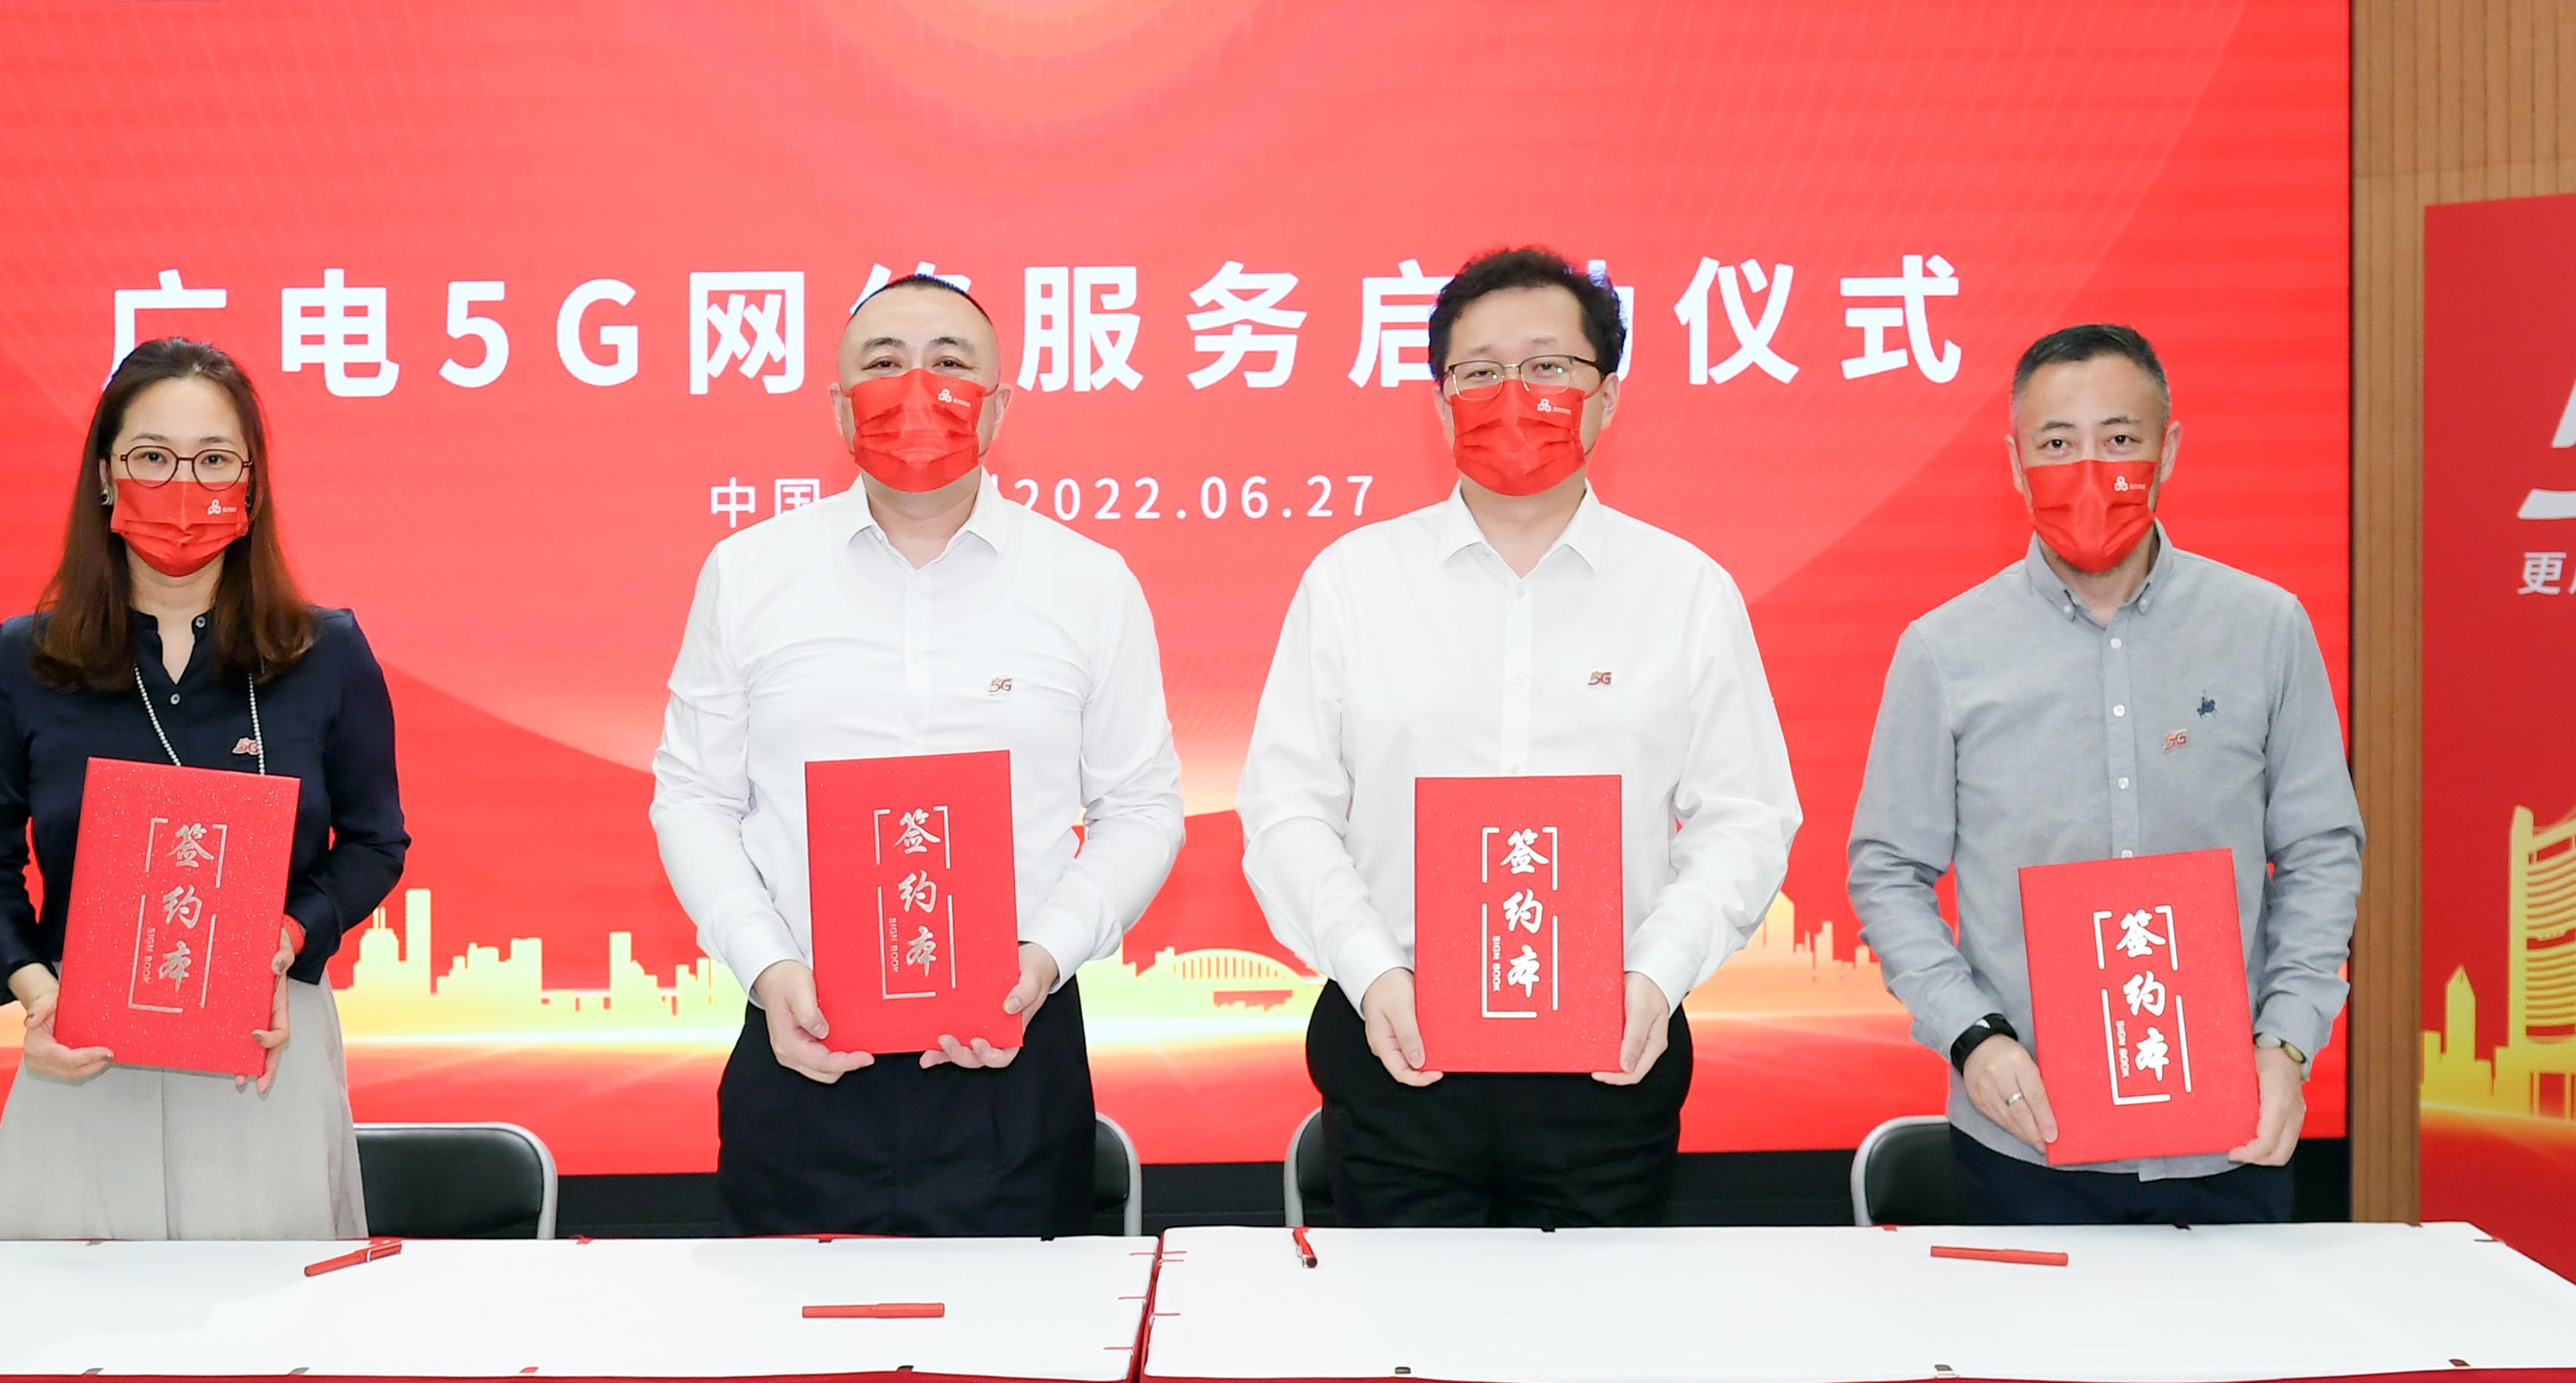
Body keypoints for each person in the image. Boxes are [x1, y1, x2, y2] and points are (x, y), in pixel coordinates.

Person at [1238, 246, 1802, 1227]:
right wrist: (1371, 970)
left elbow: (1746, 818)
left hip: (1606, 1058)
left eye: (1547, 365)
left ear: (1606, 396)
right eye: (1479, 371)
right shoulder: (1353, 583)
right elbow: (1285, 809)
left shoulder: (1684, 592)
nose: (1513, 394)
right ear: (1439, 402)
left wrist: (1656, 973)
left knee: (1593, 1323)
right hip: (1396, 1047)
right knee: (1400, 1323)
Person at [650, 274, 1185, 1235]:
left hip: (1012, 1060)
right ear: (838, 404)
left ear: (998, 405)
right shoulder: (749, 574)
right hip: (800, 1049)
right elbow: (693, 797)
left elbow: (1140, 808)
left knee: (1022, 1331)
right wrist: (766, 966)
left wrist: (1043, 957)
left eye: (949, 362)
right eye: (883, 362)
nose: (915, 386)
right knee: (787, 1330)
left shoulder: (1087, 583)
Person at [1847, 323, 2362, 1224]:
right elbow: (1887, 871)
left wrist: (2285, 1042)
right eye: (2055, 445)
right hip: (2024, 1142)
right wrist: (1972, 1038)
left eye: (2119, 439)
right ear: (2014, 463)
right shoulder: (1943, 651)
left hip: (2230, 1137)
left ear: (2169, 448)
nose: (2087, 472)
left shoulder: (2263, 628)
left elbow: (2319, 853)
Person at [0, 337, 410, 1239]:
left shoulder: (325, 654)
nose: (183, 487)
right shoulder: (25, 660)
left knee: (270, 1316)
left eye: (213, 461)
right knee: (70, 1318)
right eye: (153, 458)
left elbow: (374, 842)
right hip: (81, 1051)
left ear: (251, 483)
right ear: (106, 476)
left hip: (262, 1048)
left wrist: (281, 939)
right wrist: (38, 993)